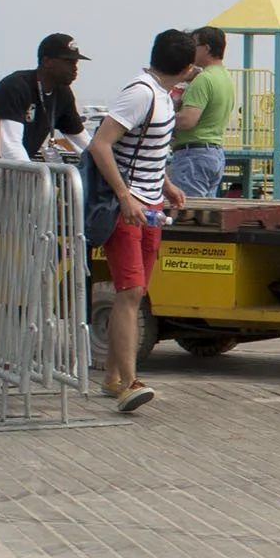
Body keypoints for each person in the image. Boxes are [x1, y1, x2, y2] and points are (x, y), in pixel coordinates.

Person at [86, 29, 196, 414]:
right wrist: (124, 195)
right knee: (130, 291)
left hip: (150, 206)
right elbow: (101, 143)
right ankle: (128, 383)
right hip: (128, 208)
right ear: (186, 67)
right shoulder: (142, 93)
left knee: (135, 292)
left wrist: (166, 185)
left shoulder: (164, 97)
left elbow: (146, 149)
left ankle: (114, 377)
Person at [0, 34, 88, 162]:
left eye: (75, 62)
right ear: (46, 61)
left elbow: (84, 142)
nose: (75, 68)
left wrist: (106, 165)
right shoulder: (16, 86)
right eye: (68, 62)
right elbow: (10, 147)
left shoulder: (62, 93)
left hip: (7, 173)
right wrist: (34, 178)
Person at [169, 26, 234, 200]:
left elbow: (187, 121)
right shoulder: (224, 77)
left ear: (206, 48)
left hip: (193, 154)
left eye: (193, 45)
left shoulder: (204, 79)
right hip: (214, 152)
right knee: (206, 213)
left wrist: (158, 119)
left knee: (188, 213)